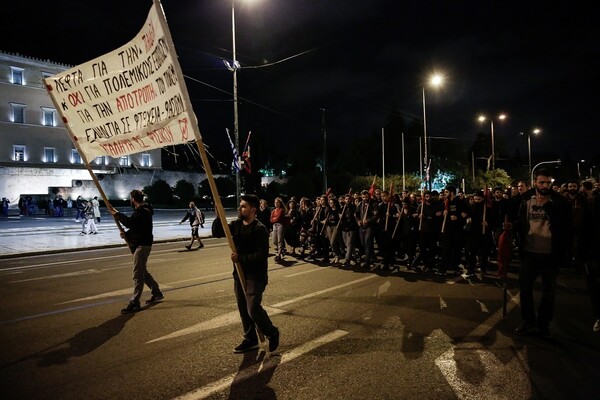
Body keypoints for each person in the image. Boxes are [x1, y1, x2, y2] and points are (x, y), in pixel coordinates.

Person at [507, 168, 570, 338]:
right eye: (542, 182)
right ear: (535, 182)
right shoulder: (525, 199)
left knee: (548, 292)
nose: (545, 185)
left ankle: (543, 324)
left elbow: (564, 224)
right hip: (529, 251)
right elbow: (518, 219)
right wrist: (512, 226)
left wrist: (547, 205)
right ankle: (528, 321)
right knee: (525, 288)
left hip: (550, 253)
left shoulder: (559, 201)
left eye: (548, 182)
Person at [212, 194, 280, 354]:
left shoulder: (260, 229)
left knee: (253, 308)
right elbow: (218, 232)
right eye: (240, 206)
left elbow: (261, 256)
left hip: (255, 276)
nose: (239, 208)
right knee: (243, 309)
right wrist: (218, 216)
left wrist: (240, 258)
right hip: (239, 274)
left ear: (253, 210)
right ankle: (250, 339)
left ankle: (272, 332)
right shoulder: (236, 225)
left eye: (243, 206)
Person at [108, 189, 164, 314]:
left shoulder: (142, 211)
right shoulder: (143, 211)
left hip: (141, 246)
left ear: (132, 199)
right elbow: (137, 228)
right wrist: (126, 235)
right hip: (142, 244)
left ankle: (134, 302)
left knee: (137, 274)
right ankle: (157, 292)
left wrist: (116, 214)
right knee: (143, 272)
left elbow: (130, 223)